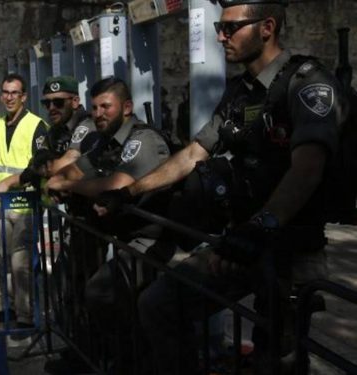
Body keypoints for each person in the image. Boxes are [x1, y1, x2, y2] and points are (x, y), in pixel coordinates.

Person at [98, 1, 345, 372]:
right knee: (159, 304)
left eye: (230, 28)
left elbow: (307, 168)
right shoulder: (240, 92)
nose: (219, 36)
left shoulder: (308, 83)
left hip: (291, 249)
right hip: (241, 243)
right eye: (219, 26)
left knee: (279, 358)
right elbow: (194, 152)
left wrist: (260, 228)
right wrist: (130, 191)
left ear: (267, 27)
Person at [43, 77, 171, 375]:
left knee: (103, 291)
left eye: (106, 107)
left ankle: (129, 361)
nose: (98, 113)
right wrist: (58, 179)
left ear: (126, 107)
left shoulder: (143, 139)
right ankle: (112, 356)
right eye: (95, 107)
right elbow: (78, 167)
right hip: (128, 236)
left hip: (157, 237)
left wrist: (69, 185)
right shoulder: (107, 141)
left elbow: (117, 184)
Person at [0, 73, 48, 331]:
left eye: (15, 93)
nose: (9, 97)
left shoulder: (37, 125)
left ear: (23, 96)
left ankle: (26, 315)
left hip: (25, 203)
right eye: (5, 92)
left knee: (20, 263)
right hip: (3, 203)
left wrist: (10, 182)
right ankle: (10, 307)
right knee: (2, 259)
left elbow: (40, 165)